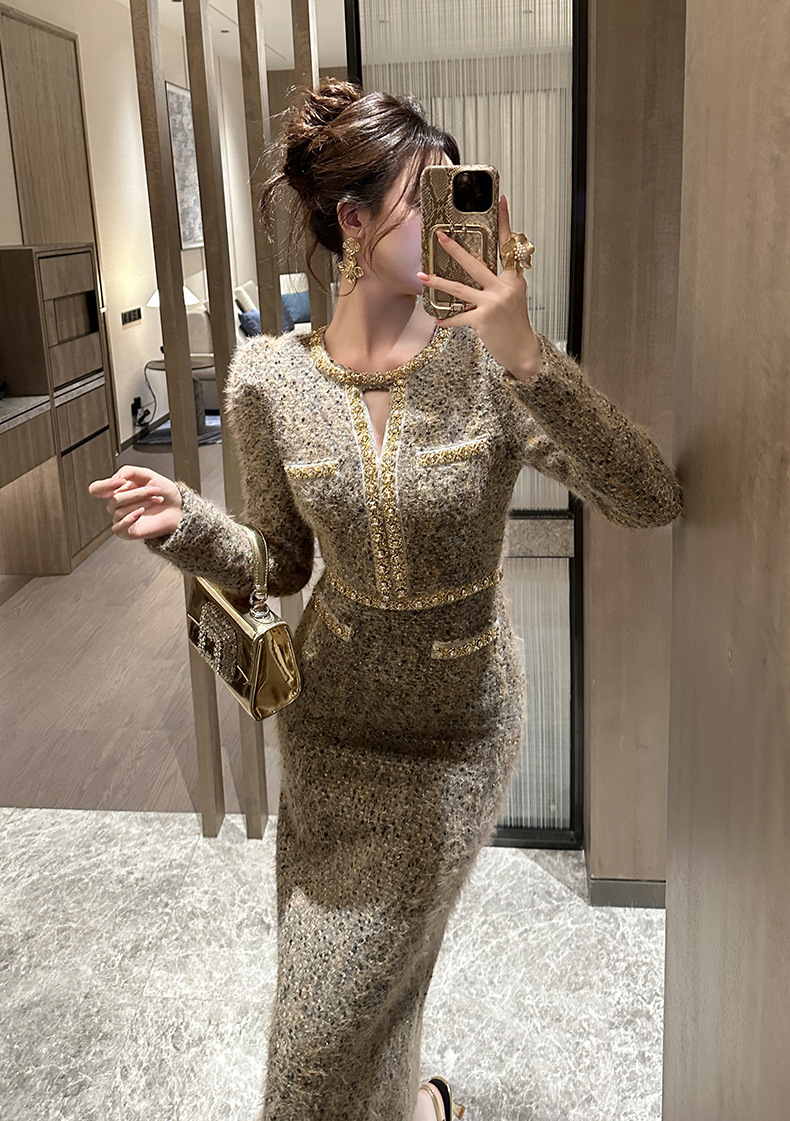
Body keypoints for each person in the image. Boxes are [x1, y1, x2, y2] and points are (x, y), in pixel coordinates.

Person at [89, 79, 682, 1121]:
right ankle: (418, 1104)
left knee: (312, 1060)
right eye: (427, 199)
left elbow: (647, 496)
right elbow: (278, 564)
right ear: (353, 222)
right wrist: (185, 521)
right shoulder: (269, 380)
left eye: (461, 196)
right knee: (363, 994)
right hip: (330, 731)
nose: (457, 223)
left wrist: (530, 355)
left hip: (454, 740)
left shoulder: (490, 367)